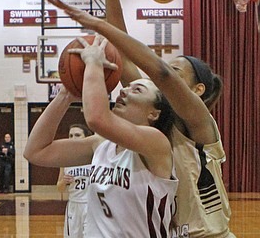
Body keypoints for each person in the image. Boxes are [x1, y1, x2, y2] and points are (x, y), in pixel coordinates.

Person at [45, 0, 235, 237]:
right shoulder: (155, 117)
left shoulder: (198, 122)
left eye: (178, 72)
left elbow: (162, 74)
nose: (161, 74)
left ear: (198, 89)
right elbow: (124, 60)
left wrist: (98, 25)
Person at [24, 34, 178, 237]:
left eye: (137, 90)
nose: (124, 92)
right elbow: (36, 151)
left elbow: (97, 118)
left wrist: (94, 64)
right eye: (127, 87)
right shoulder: (101, 144)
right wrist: (66, 94)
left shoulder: (156, 143)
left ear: (154, 113)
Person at [56, 123, 92, 238]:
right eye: (70, 135)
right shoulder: (66, 159)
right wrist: (64, 182)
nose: (73, 138)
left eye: (77, 135)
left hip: (91, 205)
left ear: (86, 137)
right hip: (73, 205)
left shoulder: (94, 156)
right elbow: (59, 188)